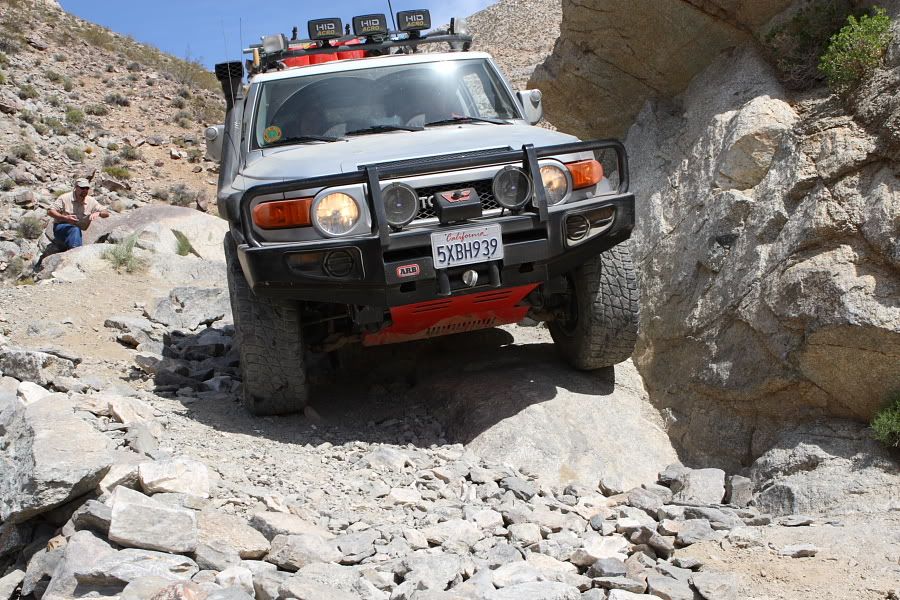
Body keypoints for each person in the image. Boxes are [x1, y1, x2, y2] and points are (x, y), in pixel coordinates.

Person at [47, 178, 109, 250]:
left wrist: (99, 213)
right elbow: (50, 211)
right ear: (75, 187)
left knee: (76, 231)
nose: (85, 190)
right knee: (74, 230)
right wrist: (65, 218)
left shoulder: (91, 201)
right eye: (82, 188)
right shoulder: (64, 198)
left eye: (87, 188)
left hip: (78, 230)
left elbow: (106, 213)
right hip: (61, 228)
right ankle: (75, 252)